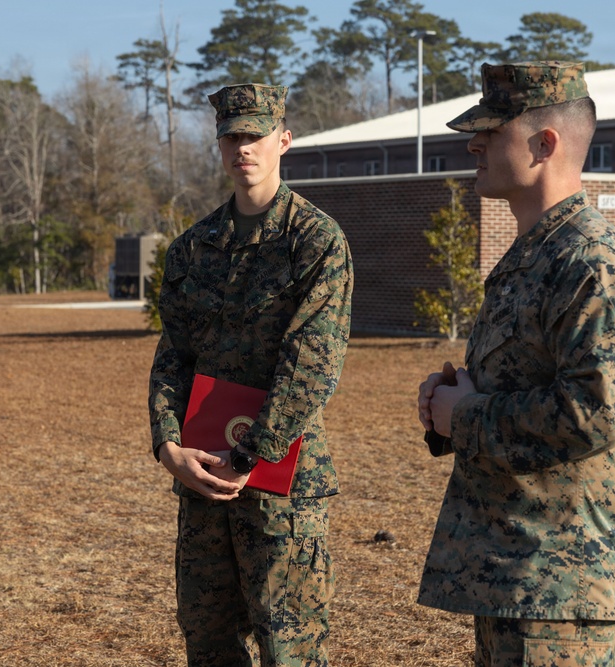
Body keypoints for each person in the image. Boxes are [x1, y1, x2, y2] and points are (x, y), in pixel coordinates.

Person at [416, 61, 615, 667]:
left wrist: (465, 415)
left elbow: (593, 413)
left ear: (544, 145)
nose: (473, 143)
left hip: (562, 584)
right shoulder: (534, 256)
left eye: (491, 132)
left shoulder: (592, 264)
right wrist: (455, 397)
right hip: (515, 572)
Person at [148, 83, 353, 667]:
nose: (243, 147)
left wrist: (247, 456)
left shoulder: (314, 241)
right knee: (208, 642)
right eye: (231, 136)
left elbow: (312, 364)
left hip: (280, 479)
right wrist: (167, 445)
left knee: (287, 646)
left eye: (255, 135)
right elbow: (173, 357)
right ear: (219, 146)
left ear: (283, 140)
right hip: (202, 475)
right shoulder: (192, 248)